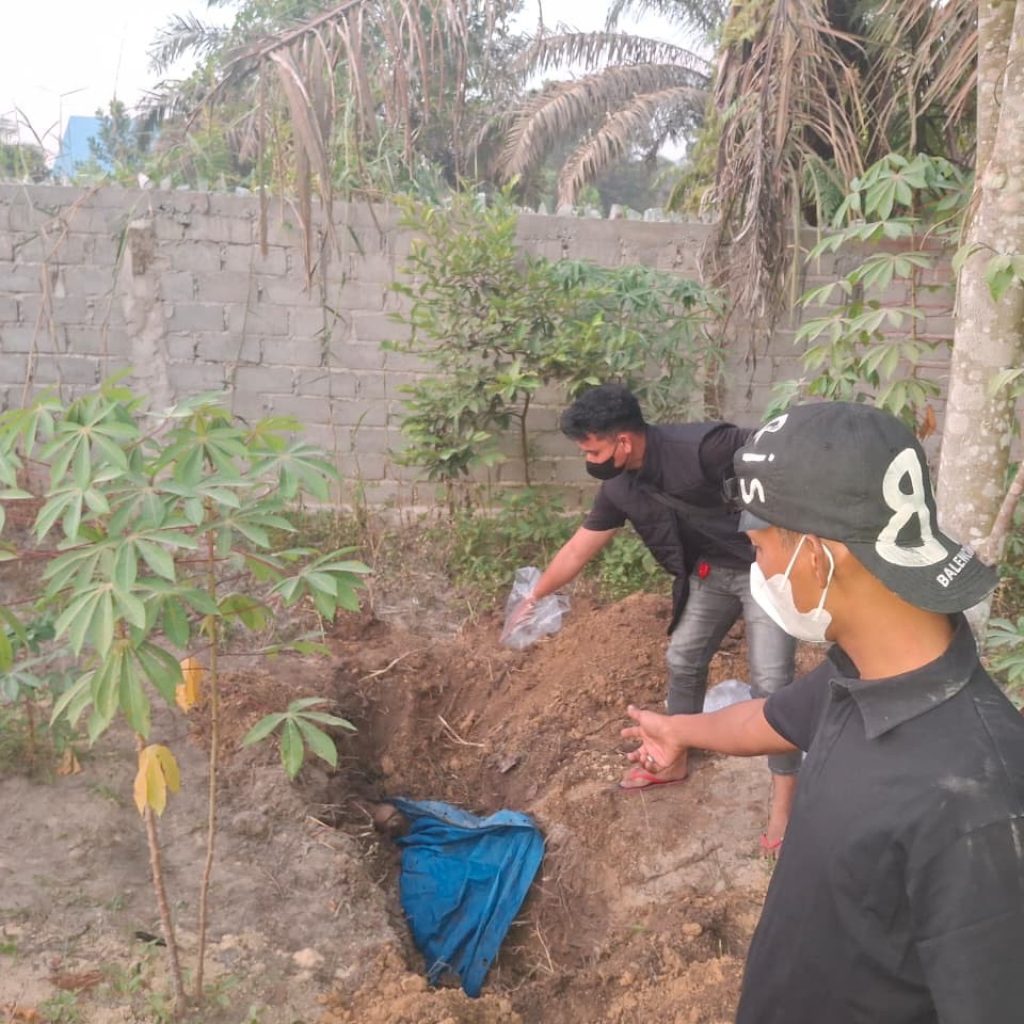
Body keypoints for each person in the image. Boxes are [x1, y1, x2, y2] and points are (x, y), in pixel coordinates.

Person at [622, 400, 1023, 1023]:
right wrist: (679, 730)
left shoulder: (978, 802)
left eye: (757, 547)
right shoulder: (862, 670)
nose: (757, 568)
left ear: (819, 556)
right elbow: (772, 718)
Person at [512, 383, 798, 850]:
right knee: (683, 657)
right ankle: (675, 756)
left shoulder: (705, 448)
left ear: (623, 441)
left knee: (771, 684)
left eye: (594, 448)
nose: (591, 459)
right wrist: (536, 595)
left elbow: (782, 452)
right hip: (709, 575)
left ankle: (785, 799)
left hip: (766, 572)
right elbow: (582, 545)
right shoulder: (619, 485)